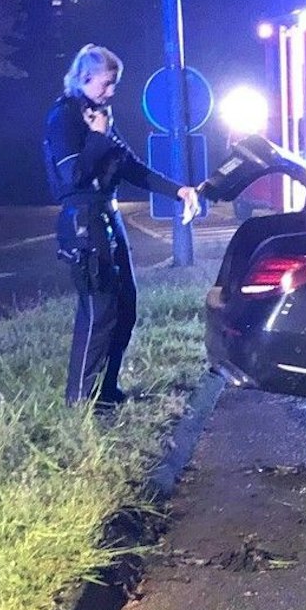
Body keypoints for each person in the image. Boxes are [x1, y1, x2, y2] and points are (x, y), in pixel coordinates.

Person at [43, 45, 201, 409]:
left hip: (108, 218)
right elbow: (73, 176)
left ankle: (107, 390)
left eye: (114, 84)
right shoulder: (64, 117)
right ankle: (80, 400)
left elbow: (131, 167)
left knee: (125, 306)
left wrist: (179, 190)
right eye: (107, 83)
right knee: (98, 310)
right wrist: (98, 137)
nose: (112, 92)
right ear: (85, 77)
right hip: (83, 220)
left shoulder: (99, 116)